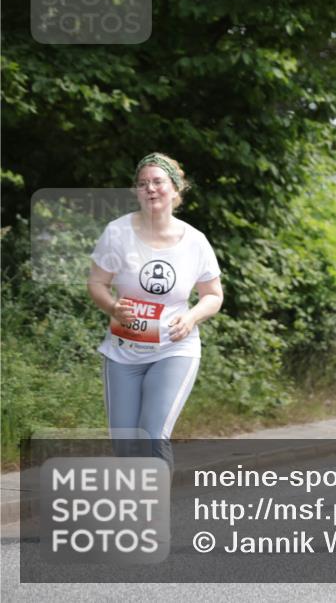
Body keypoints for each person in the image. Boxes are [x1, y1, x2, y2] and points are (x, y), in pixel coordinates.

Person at [87, 153, 223, 467]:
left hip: (174, 349)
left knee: (151, 435)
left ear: (175, 190)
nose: (150, 189)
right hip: (123, 351)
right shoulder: (117, 233)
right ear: (136, 192)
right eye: (142, 184)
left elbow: (213, 295)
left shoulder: (195, 242)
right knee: (124, 445)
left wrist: (191, 317)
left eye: (158, 182)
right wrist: (112, 306)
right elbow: (96, 283)